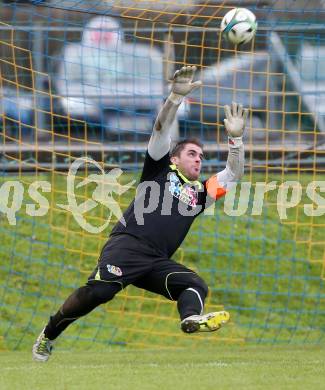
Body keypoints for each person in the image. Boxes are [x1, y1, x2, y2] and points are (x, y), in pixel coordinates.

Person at [32, 66, 248, 362]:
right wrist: (174, 98)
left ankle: (190, 319)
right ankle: (50, 332)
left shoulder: (200, 194)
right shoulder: (159, 168)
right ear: (174, 158)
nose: (198, 159)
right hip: (128, 245)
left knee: (195, 284)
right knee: (100, 293)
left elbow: (233, 174)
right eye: (191, 154)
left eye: (201, 156)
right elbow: (160, 130)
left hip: (156, 260)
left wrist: (236, 140)